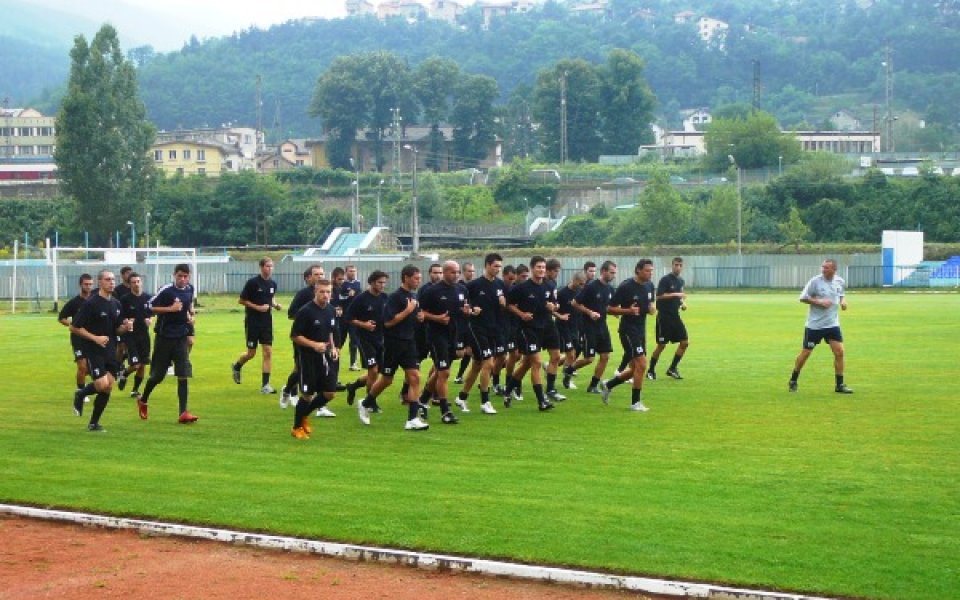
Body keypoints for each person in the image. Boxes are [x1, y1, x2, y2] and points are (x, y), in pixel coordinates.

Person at [355, 265, 429, 430]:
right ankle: (366, 403)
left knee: (415, 377)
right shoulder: (394, 298)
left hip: (409, 343)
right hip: (393, 344)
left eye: (419, 278)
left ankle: (412, 420)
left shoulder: (413, 296)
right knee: (387, 379)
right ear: (406, 278)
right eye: (416, 278)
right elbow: (388, 322)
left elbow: (412, 320)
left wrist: (420, 317)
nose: (419, 281)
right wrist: (407, 311)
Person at [70, 270, 133, 431]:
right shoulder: (91, 303)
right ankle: (81, 393)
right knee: (102, 383)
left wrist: (125, 328)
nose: (111, 282)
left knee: (108, 387)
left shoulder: (116, 304)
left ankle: (93, 423)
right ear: (100, 282)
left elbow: (117, 330)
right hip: (93, 350)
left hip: (111, 351)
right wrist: (95, 338)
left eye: (113, 279)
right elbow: (74, 327)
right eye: (107, 279)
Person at [136, 263, 199, 423]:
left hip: (181, 338)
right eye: (180, 276)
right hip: (164, 338)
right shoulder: (166, 291)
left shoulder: (190, 289)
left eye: (185, 276)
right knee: (157, 376)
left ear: (189, 276)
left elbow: (187, 306)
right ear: (174, 275)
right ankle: (143, 399)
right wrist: (170, 309)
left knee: (183, 373)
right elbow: (148, 307)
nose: (183, 279)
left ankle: (183, 412)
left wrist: (189, 316)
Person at [418, 260, 473, 425]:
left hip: (454, 335)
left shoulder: (462, 289)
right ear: (444, 272)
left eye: (457, 272)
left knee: (440, 372)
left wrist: (467, 312)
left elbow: (465, 311)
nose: (456, 275)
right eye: (452, 272)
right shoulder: (432, 291)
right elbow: (421, 313)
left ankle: (421, 401)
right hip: (436, 335)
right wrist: (437, 318)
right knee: (444, 372)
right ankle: (445, 411)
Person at [789, 259, 853, 394]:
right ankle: (793, 379)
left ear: (834, 269)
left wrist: (843, 301)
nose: (823, 270)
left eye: (826, 268)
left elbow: (841, 294)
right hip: (815, 325)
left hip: (832, 324)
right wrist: (819, 302)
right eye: (823, 267)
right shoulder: (815, 281)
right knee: (806, 353)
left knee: (840, 352)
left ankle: (839, 385)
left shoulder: (839, 281)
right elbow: (802, 297)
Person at [599, 259, 656, 411]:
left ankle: (608, 385)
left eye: (651, 270)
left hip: (640, 330)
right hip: (628, 331)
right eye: (647, 270)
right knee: (642, 365)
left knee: (635, 368)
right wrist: (627, 311)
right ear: (638, 270)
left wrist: (652, 309)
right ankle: (635, 403)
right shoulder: (626, 286)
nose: (650, 273)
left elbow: (651, 306)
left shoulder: (650, 286)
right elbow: (609, 308)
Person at [503, 256, 557, 412]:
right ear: (532, 268)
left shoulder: (549, 285)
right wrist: (521, 314)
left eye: (543, 267)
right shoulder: (522, 288)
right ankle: (542, 401)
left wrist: (552, 306)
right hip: (528, 328)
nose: (541, 270)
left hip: (547, 326)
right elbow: (509, 305)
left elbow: (553, 304)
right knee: (536, 362)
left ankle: (508, 390)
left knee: (549, 358)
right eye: (538, 267)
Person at [289, 278, 340, 438]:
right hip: (307, 358)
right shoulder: (305, 311)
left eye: (328, 292)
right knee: (307, 395)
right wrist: (313, 345)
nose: (326, 295)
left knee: (330, 393)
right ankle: (297, 427)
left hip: (325, 357)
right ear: (315, 292)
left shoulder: (331, 310)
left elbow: (330, 331)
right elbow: (295, 336)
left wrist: (333, 348)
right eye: (322, 292)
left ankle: (304, 415)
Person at [456, 252, 504, 415]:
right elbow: (462, 306)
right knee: (489, 363)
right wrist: (471, 310)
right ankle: (485, 401)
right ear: (487, 265)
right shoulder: (474, 285)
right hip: (476, 329)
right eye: (496, 266)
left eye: (500, 266)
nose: (498, 269)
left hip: (492, 330)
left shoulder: (500, 285)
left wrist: (503, 304)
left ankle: (462, 397)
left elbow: (501, 308)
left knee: (477, 365)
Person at [232, 257, 282, 394]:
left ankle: (265, 385)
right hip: (253, 322)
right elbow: (241, 300)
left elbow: (270, 299)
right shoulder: (252, 283)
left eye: (272, 266)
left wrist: (275, 305)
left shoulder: (273, 284)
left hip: (267, 322)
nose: (270, 269)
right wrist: (257, 307)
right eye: (267, 266)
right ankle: (237, 366)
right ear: (261, 267)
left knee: (268, 352)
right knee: (251, 353)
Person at [343, 270, 389, 411]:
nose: (382, 285)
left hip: (380, 339)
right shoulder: (361, 298)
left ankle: (353, 386)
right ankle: (370, 402)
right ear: (372, 282)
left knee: (378, 372)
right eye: (380, 282)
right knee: (373, 371)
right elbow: (348, 317)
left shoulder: (385, 297)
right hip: (364, 339)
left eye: (384, 283)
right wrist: (364, 325)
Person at [280, 264, 325, 409]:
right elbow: (291, 313)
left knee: (320, 368)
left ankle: (319, 404)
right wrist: (307, 320)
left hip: (321, 338)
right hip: (303, 338)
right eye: (317, 274)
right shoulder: (303, 294)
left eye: (322, 274)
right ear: (308, 278)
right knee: (300, 368)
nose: (320, 277)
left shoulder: (327, 292)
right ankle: (289, 391)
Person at [572, 260, 617, 394]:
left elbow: (610, 307)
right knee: (589, 359)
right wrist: (590, 312)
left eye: (615, 273)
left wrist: (617, 312)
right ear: (603, 271)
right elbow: (575, 303)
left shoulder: (610, 289)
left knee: (605, 356)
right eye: (611, 272)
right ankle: (569, 370)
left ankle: (593, 385)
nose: (613, 275)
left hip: (602, 326)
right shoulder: (591, 286)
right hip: (588, 326)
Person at [647, 257, 689, 380]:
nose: (678, 267)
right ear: (672, 266)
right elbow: (659, 296)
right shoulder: (665, 280)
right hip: (664, 317)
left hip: (675, 316)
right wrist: (676, 294)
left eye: (680, 265)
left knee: (684, 342)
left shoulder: (681, 281)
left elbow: (679, 296)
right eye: (676, 265)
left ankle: (672, 368)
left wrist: (682, 303)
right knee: (661, 345)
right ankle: (650, 370)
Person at [58, 273, 94, 402]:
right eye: (86, 284)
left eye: (90, 284)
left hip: (93, 338)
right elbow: (61, 318)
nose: (88, 287)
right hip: (78, 338)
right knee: (82, 366)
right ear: (80, 285)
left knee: (91, 368)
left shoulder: (96, 300)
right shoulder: (74, 303)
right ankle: (81, 391)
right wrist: (73, 325)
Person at [116, 272, 153, 398]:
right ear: (129, 284)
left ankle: (135, 390)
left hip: (144, 336)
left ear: (141, 282)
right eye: (133, 282)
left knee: (143, 365)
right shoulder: (125, 299)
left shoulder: (148, 297)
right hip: (131, 336)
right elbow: (120, 316)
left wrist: (150, 319)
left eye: (138, 281)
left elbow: (152, 313)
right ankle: (124, 374)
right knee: (136, 365)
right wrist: (126, 321)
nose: (136, 284)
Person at [541, 258, 567, 402]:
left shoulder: (552, 283)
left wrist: (555, 308)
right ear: (549, 270)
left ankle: (550, 389)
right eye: (556, 271)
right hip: (535, 324)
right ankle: (513, 386)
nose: (557, 274)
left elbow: (554, 302)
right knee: (527, 360)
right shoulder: (539, 282)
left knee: (556, 356)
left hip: (549, 323)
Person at [557, 272, 585, 389]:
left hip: (576, 327)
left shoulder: (580, 292)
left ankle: (550, 367)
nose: (582, 286)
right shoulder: (562, 293)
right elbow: (552, 308)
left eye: (583, 284)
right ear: (573, 280)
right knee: (571, 354)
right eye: (580, 283)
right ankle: (566, 379)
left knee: (573, 353)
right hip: (563, 327)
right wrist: (560, 316)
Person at [341, 264, 363, 371]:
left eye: (354, 271)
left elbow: (360, 298)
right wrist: (347, 295)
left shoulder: (358, 284)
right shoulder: (342, 284)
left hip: (354, 317)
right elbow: (339, 298)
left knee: (354, 340)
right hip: (343, 317)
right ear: (346, 272)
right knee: (339, 341)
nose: (353, 273)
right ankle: (332, 360)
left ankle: (353, 363)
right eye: (350, 271)